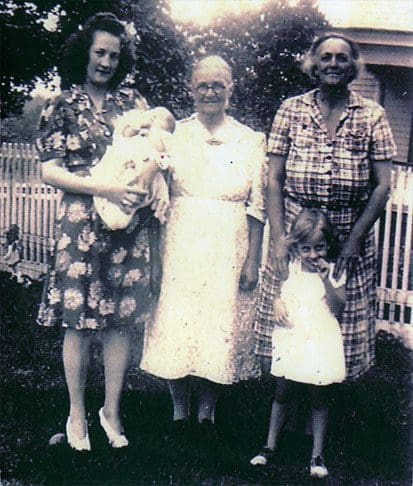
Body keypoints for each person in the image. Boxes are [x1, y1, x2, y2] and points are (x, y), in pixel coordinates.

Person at [36, 12, 169, 451]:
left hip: (126, 225)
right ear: (84, 54)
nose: (106, 62)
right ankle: (76, 413)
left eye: (114, 55)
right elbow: (50, 171)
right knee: (77, 322)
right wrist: (103, 186)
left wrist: (148, 183)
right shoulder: (62, 105)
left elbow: (155, 154)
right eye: (99, 52)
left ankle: (111, 411)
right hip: (80, 225)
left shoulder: (134, 104)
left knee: (120, 322)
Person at [255, 32, 396, 383]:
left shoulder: (372, 115)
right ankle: (285, 409)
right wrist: (277, 238)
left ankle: (321, 412)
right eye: (327, 57)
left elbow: (382, 186)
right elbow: (273, 178)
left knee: (335, 323)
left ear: (353, 67)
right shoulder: (291, 109)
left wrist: (351, 244)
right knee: (291, 315)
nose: (333, 64)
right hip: (296, 231)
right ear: (313, 65)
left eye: (342, 58)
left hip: (349, 231)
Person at [140, 55, 267, 443]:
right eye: (202, 85)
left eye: (218, 85)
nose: (210, 92)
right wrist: (155, 259)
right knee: (178, 320)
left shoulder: (250, 140)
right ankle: (179, 411)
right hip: (180, 239)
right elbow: (155, 202)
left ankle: (207, 412)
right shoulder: (172, 137)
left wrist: (251, 261)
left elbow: (258, 206)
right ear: (191, 90)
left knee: (219, 322)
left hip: (229, 242)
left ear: (231, 89)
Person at [250, 209, 346, 478]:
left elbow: (339, 307)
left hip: (319, 338)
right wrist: (277, 303)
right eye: (307, 249)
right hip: (292, 337)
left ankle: (317, 454)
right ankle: (269, 445)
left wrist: (327, 278)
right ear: (297, 246)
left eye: (319, 248)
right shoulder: (289, 266)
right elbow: (277, 292)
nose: (314, 255)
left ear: (329, 245)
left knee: (318, 396)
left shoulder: (334, 270)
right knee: (282, 392)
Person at [92, 106, 175, 229]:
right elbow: (122, 133)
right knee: (112, 182)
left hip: (143, 175)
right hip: (119, 170)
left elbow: (165, 158)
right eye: (152, 117)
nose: (147, 130)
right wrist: (139, 125)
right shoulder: (133, 134)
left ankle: (121, 216)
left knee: (145, 190)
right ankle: (111, 213)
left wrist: (155, 158)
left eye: (156, 122)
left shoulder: (158, 144)